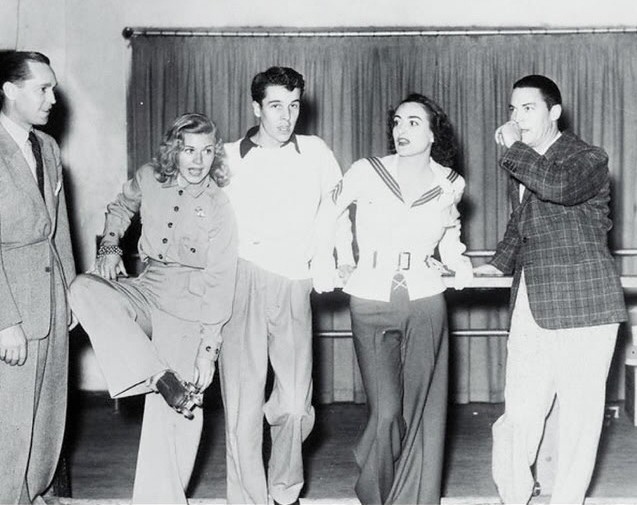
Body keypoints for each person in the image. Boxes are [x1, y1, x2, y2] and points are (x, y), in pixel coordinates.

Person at [68, 113, 237, 504]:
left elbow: (220, 282)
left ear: (216, 155)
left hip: (190, 305)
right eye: (188, 150)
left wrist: (207, 350)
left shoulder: (218, 206)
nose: (198, 160)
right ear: (173, 150)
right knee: (84, 289)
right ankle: (158, 373)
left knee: (174, 417)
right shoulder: (149, 177)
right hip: (147, 285)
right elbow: (120, 206)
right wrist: (110, 245)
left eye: (207, 151)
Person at [314, 93, 473, 504]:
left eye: (414, 123)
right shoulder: (367, 171)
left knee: (424, 411)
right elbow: (328, 214)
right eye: (398, 122)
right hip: (370, 298)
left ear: (434, 133)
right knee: (387, 411)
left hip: (425, 298)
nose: (401, 130)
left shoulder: (450, 183)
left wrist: (457, 264)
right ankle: (375, 487)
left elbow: (451, 237)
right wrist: (336, 261)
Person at [474, 75, 627, 504]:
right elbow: (521, 226)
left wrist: (513, 151)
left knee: (578, 424)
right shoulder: (523, 163)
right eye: (512, 109)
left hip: (586, 305)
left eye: (528, 109)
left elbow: (557, 187)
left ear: (554, 112)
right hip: (531, 302)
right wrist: (495, 265)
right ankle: (514, 496)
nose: (516, 118)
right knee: (517, 416)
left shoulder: (588, 157)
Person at [219, 66, 354, 505]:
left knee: (295, 405)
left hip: (295, 282)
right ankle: (248, 498)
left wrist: (340, 257)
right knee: (242, 404)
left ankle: (284, 490)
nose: (286, 116)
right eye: (276, 106)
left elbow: (338, 211)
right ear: (257, 107)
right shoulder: (227, 157)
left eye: (294, 105)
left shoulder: (314, 152)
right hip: (242, 280)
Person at [0, 50, 76, 504]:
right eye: (41, 88)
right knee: (10, 421)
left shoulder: (46, 147)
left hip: (49, 301)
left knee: (48, 417)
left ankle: (34, 493)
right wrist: (4, 320)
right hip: (12, 305)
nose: (52, 97)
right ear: (8, 90)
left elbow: (59, 227)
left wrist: (67, 294)